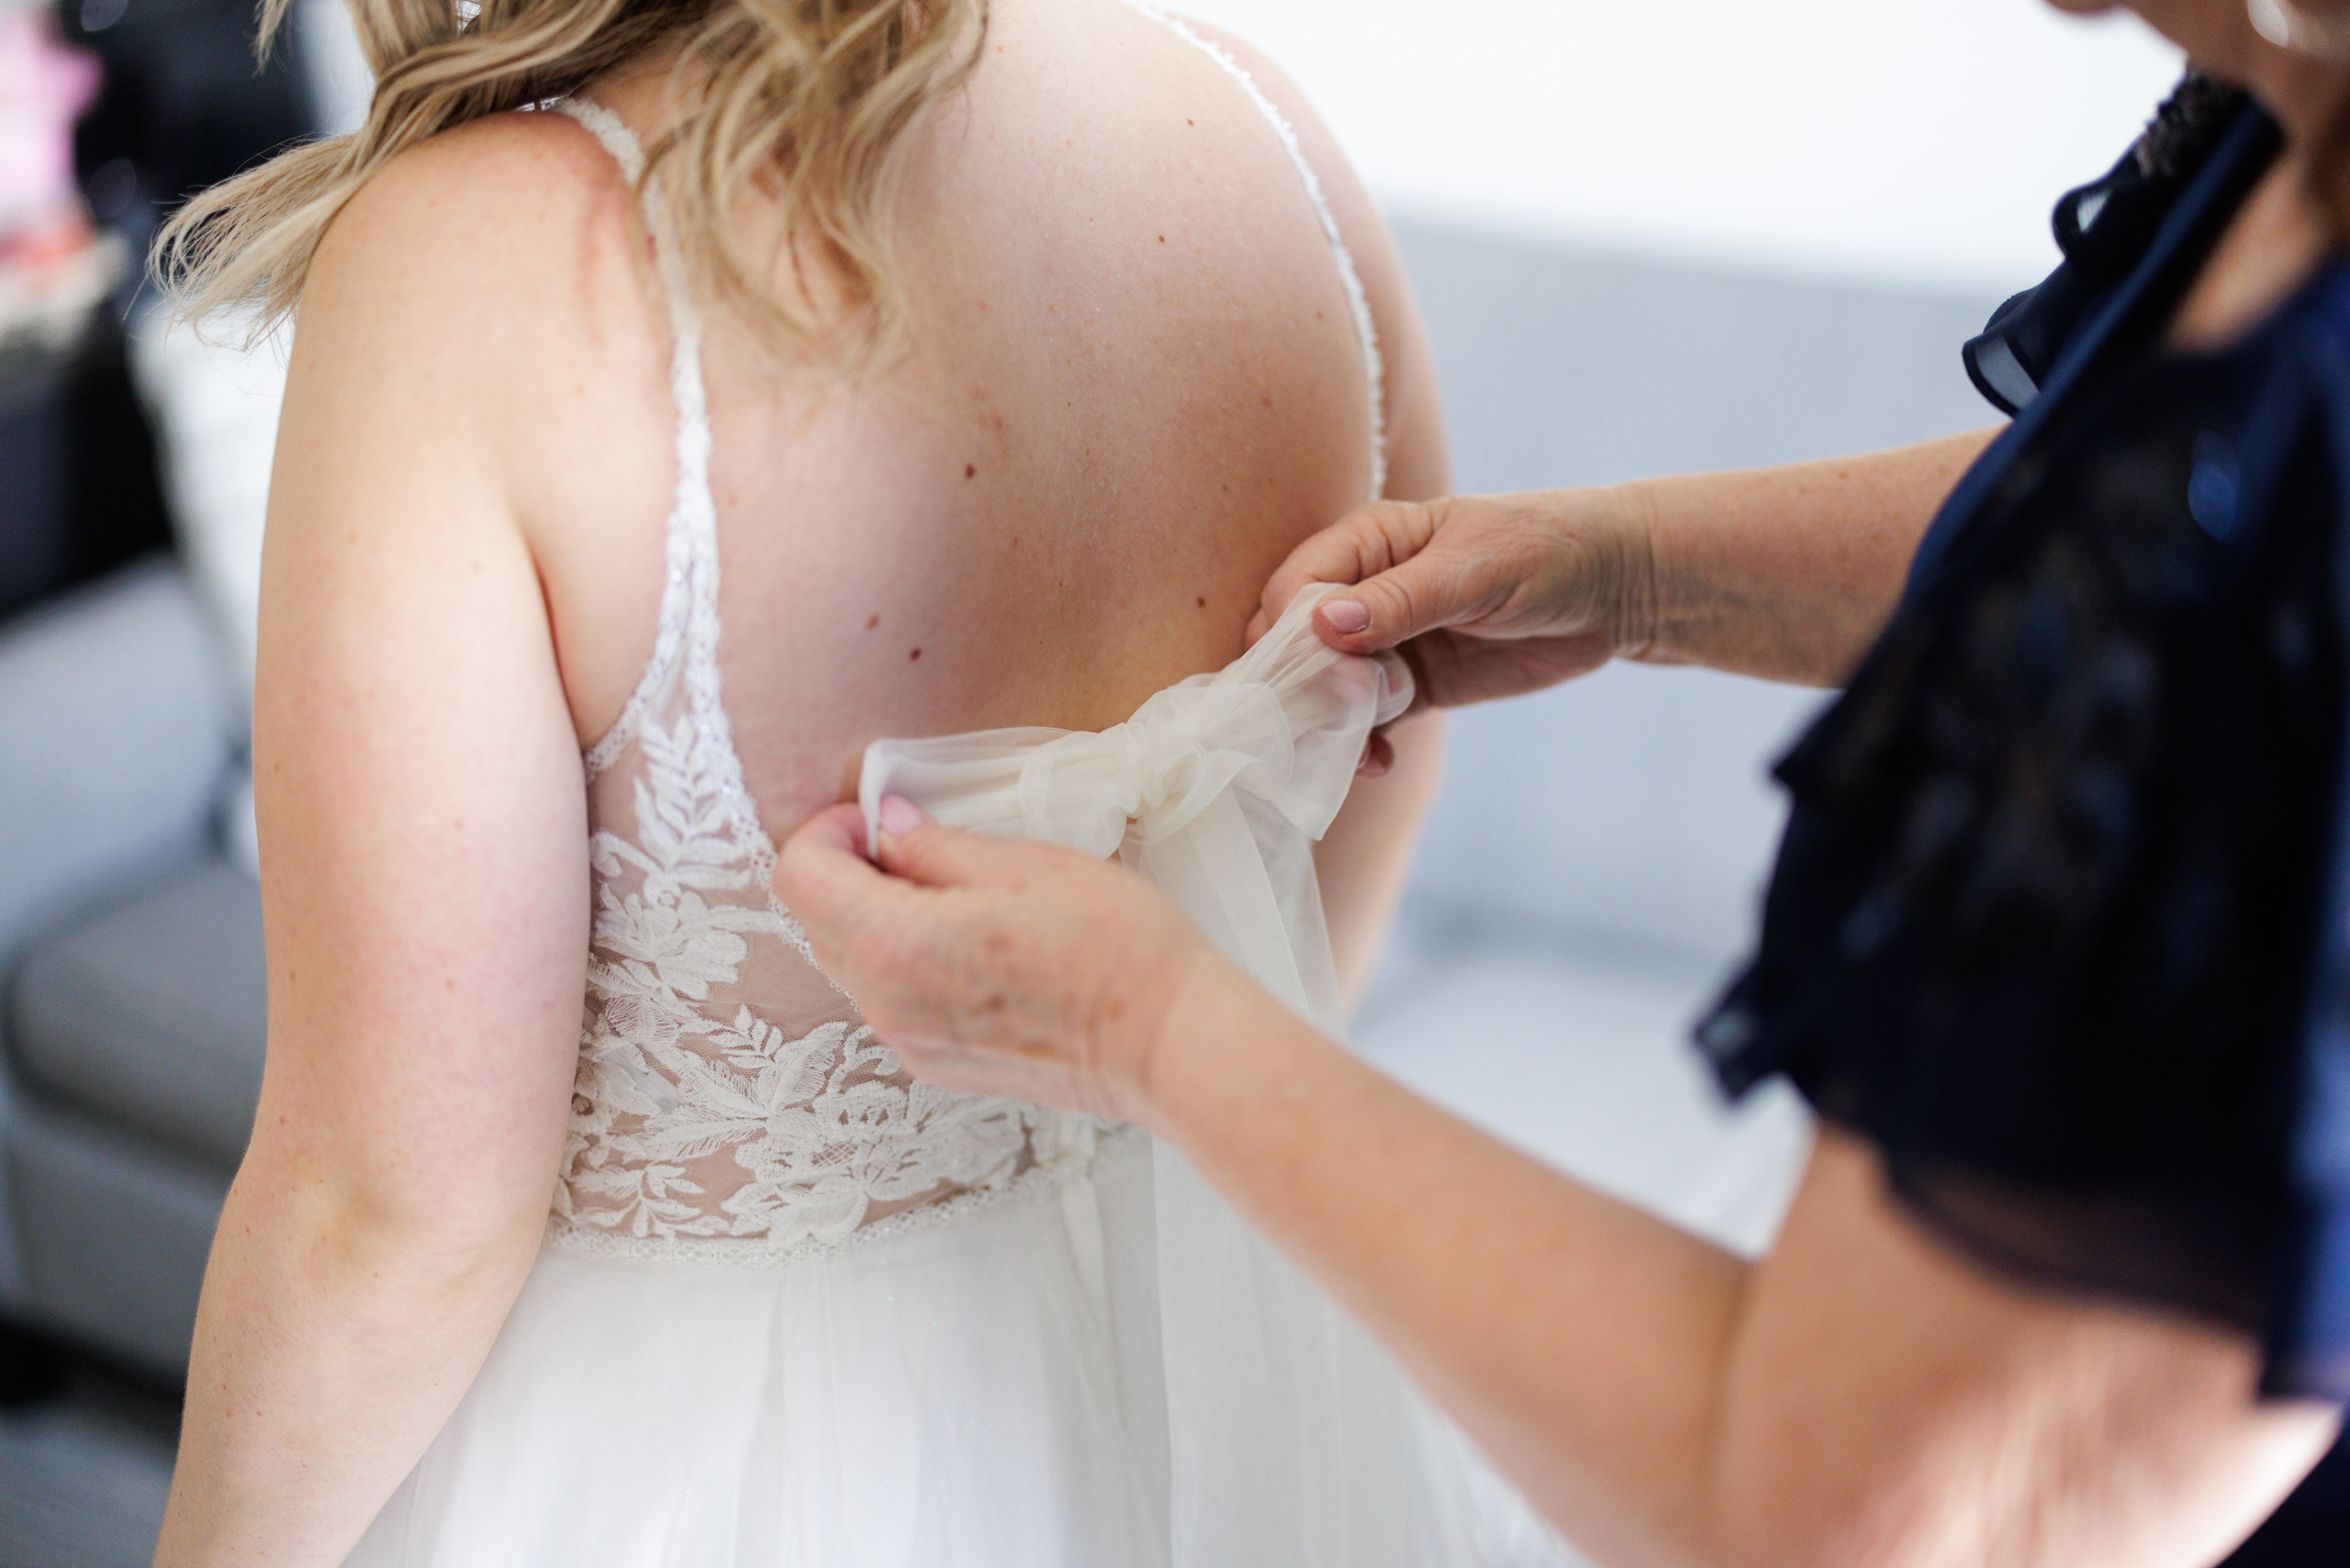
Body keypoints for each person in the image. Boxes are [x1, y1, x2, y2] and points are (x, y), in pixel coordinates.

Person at [776, 2, 2350, 1563]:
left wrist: (1154, 1027)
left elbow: (1857, 1529)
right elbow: (2154, 536)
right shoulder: (2285, 130)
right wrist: (1635, 570)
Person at [142, 0, 1554, 1562]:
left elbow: (397, 1217)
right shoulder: (1263, 135)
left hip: (676, 1467)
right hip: (1209, 1385)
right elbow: (1391, 735)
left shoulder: (474, 269)